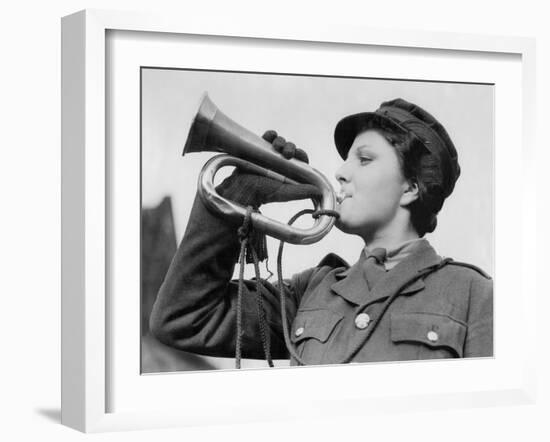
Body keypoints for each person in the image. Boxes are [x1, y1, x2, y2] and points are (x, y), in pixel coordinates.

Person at [149, 98, 493, 366]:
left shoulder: (474, 295)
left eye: (365, 159)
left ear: (410, 188)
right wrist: (240, 194)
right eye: (346, 160)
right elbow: (182, 319)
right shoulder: (310, 291)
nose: (341, 173)